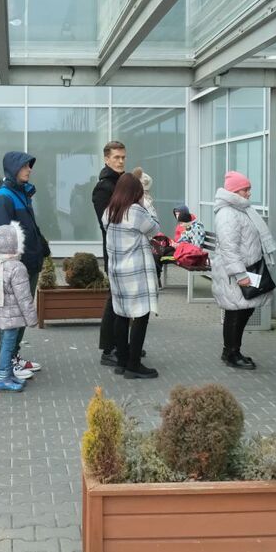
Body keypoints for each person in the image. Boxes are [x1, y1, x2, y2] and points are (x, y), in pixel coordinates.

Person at [0, 151, 49, 379]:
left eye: (29, 166)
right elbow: (3, 236)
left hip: (29, 263)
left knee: (21, 315)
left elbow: (29, 227)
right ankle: (9, 363)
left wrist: (42, 247)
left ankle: (14, 357)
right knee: (12, 317)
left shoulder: (22, 193)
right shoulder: (4, 197)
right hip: (17, 268)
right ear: (14, 169)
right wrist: (13, 267)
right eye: (25, 166)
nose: (30, 169)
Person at [211, 171, 276, 370]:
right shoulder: (228, 214)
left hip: (249, 268)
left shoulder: (242, 210)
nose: (249, 193)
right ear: (234, 191)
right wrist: (240, 275)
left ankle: (232, 350)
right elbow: (230, 247)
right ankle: (231, 353)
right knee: (235, 313)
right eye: (245, 189)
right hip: (237, 272)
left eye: (249, 189)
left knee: (244, 310)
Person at [103, 172, 159, 380]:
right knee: (141, 315)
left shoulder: (109, 211)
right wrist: (148, 204)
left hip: (117, 271)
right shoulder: (135, 211)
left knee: (121, 314)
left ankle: (122, 361)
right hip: (135, 272)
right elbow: (155, 228)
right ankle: (134, 364)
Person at [0, 222, 36, 393]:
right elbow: (24, 297)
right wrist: (32, 318)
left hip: (0, 313)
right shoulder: (17, 267)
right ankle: (4, 379)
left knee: (5, 346)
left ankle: (8, 374)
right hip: (12, 316)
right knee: (8, 347)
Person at [92, 140, 127, 367]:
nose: (121, 161)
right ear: (106, 159)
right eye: (116, 157)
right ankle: (108, 350)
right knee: (114, 299)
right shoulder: (104, 187)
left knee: (124, 300)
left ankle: (121, 344)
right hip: (115, 251)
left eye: (123, 157)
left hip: (128, 250)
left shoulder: (123, 182)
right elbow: (109, 222)